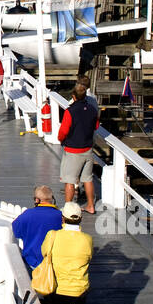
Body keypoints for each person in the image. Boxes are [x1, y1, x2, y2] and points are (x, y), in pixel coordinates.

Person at [39, 202, 92, 304]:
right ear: (80, 219)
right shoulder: (87, 239)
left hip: (56, 290)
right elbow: (89, 257)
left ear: (63, 218)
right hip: (78, 292)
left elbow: (44, 252)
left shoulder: (53, 236)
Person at [57, 82, 99, 213]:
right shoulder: (92, 109)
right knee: (87, 179)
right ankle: (91, 206)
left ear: (74, 96)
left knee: (69, 180)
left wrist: (60, 139)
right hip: (88, 149)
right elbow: (96, 126)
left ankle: (68, 208)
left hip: (73, 150)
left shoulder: (70, 111)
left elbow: (63, 131)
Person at [11, 186, 64, 269]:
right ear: (52, 199)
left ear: (36, 200)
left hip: (33, 261)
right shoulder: (60, 215)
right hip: (54, 261)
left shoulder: (28, 214)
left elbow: (16, 232)